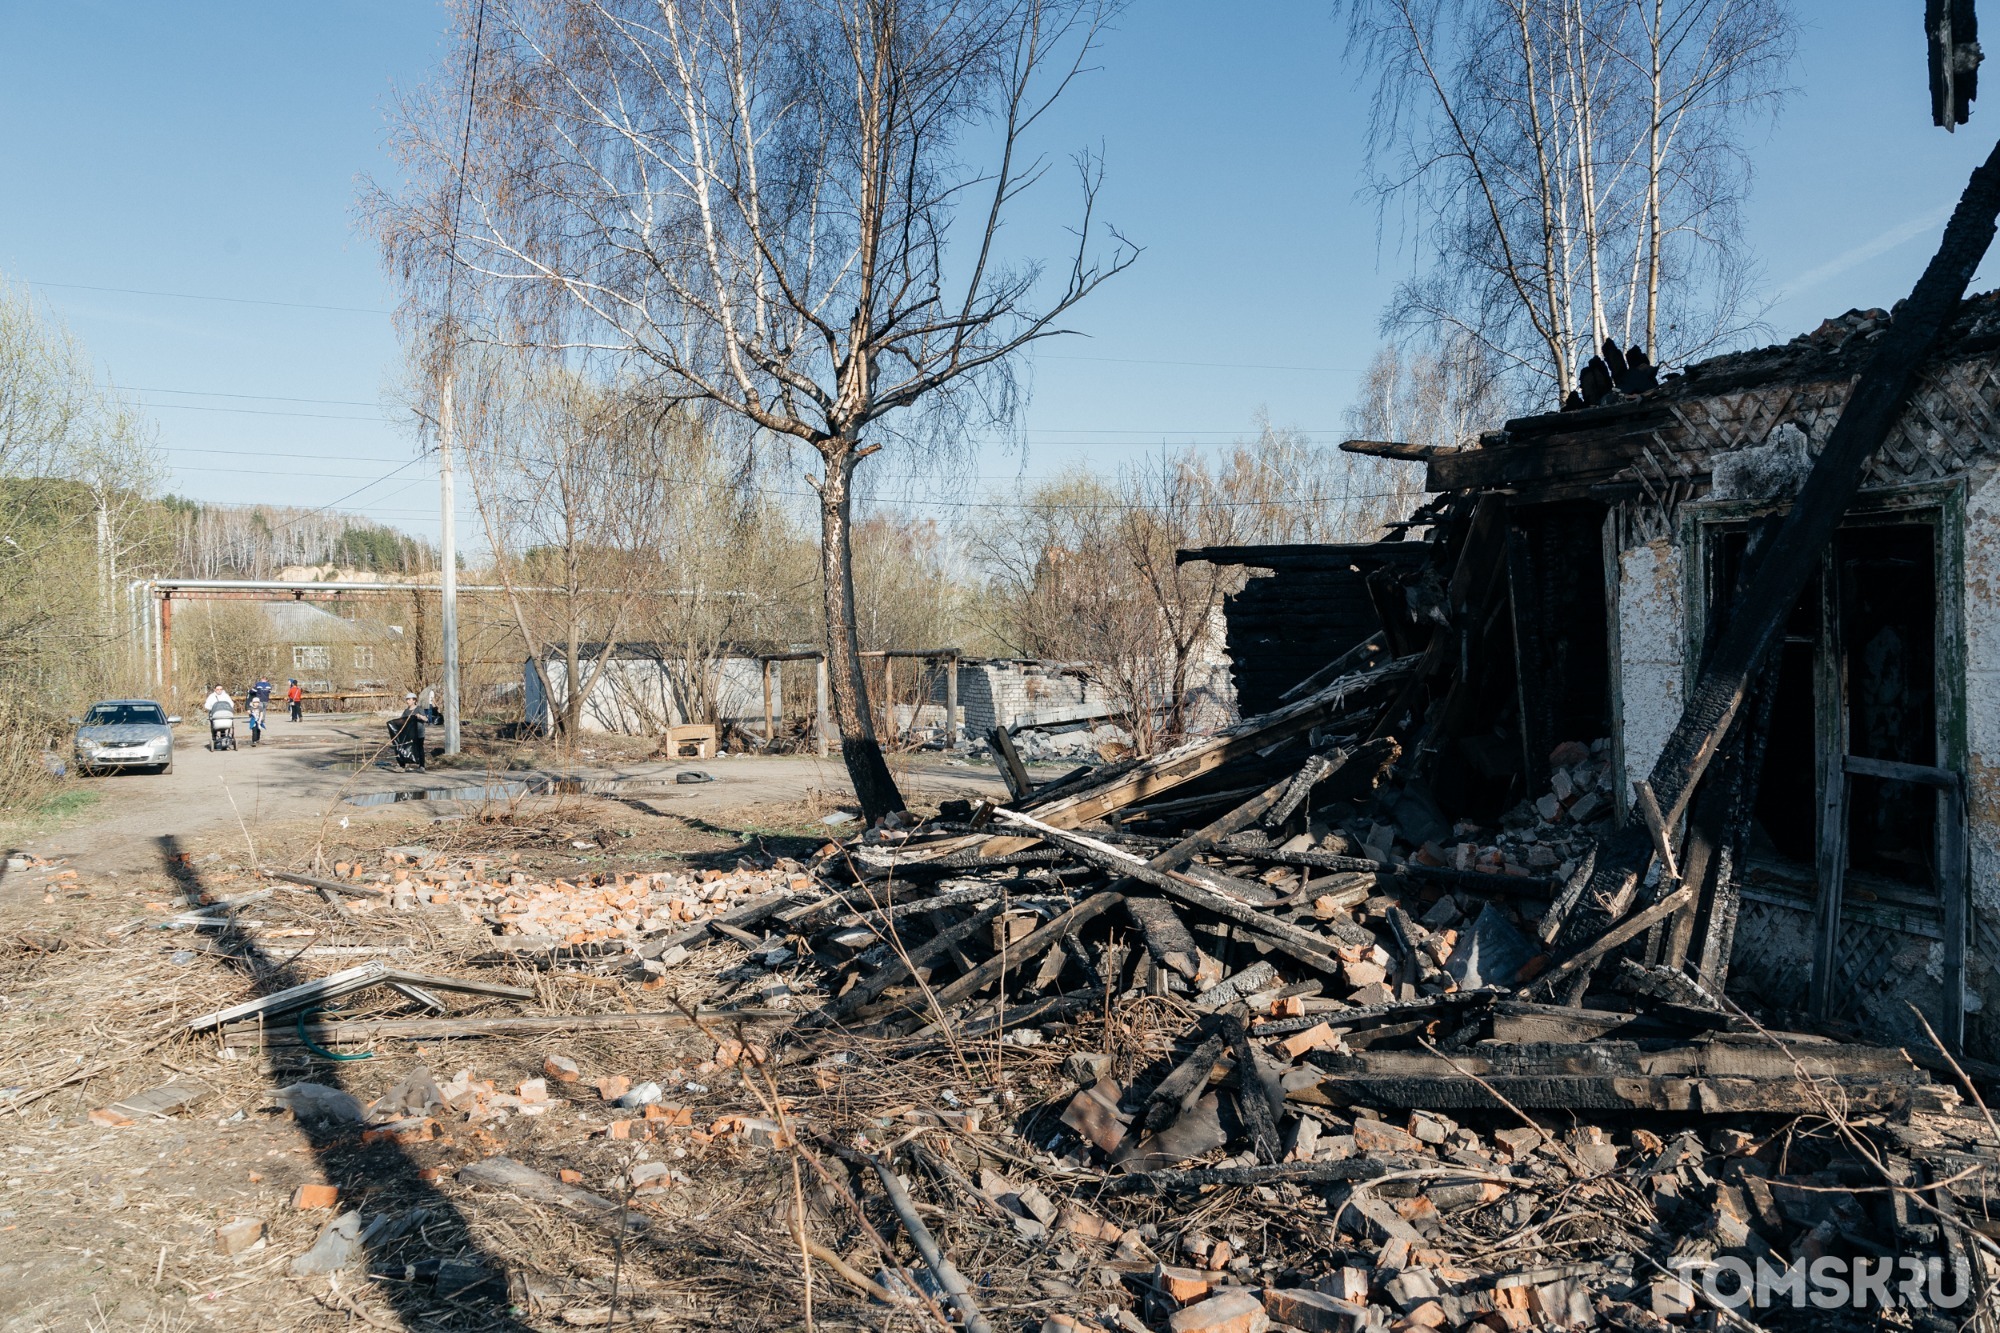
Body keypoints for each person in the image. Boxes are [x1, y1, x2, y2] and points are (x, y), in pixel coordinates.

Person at [388, 691, 427, 771]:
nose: (408, 701)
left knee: (419, 749)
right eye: (407, 699)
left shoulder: (419, 709)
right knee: (404, 747)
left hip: (419, 733)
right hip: (409, 734)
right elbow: (402, 721)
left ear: (414, 700)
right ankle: (402, 765)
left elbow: (426, 719)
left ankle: (422, 766)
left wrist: (419, 716)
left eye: (409, 699)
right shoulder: (406, 711)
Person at [203, 684, 236, 752]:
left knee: (223, 729)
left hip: (225, 715)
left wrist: (229, 708)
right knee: (215, 728)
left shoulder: (225, 696)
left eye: (220, 689)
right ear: (215, 690)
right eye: (217, 689)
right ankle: (215, 740)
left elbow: (231, 703)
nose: (219, 691)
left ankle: (224, 741)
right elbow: (206, 705)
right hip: (215, 715)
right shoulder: (211, 696)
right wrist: (212, 709)